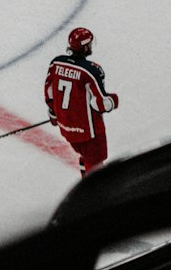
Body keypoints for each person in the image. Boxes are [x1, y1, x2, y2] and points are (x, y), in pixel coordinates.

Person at [44, 26, 119, 177]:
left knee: (85, 156)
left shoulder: (56, 64)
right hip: (90, 132)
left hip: (66, 128)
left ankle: (85, 181)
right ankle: (94, 196)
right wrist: (114, 100)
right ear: (85, 47)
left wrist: (53, 114)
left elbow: (49, 93)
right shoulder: (91, 71)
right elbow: (100, 104)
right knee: (96, 164)